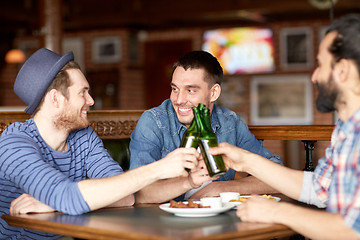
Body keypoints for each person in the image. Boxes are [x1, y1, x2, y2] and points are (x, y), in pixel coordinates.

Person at [0, 48, 201, 239]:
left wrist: (56, 203)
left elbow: (126, 197)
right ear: (56, 98)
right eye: (83, 92)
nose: (91, 100)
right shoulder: (13, 144)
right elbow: (67, 197)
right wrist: (159, 168)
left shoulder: (82, 135)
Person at [208, 14, 360, 239]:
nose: (314, 76)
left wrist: (277, 211)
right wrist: (246, 160)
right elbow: (319, 188)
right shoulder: (346, 129)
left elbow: (352, 230)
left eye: (320, 65)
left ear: (342, 70)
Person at [130, 50, 283, 203]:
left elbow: (277, 174)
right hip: (167, 221)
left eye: (190, 90)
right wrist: (188, 182)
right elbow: (141, 194)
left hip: (220, 219)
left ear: (214, 93)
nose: (178, 99)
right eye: (175, 89)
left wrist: (220, 188)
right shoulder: (153, 122)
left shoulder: (229, 122)